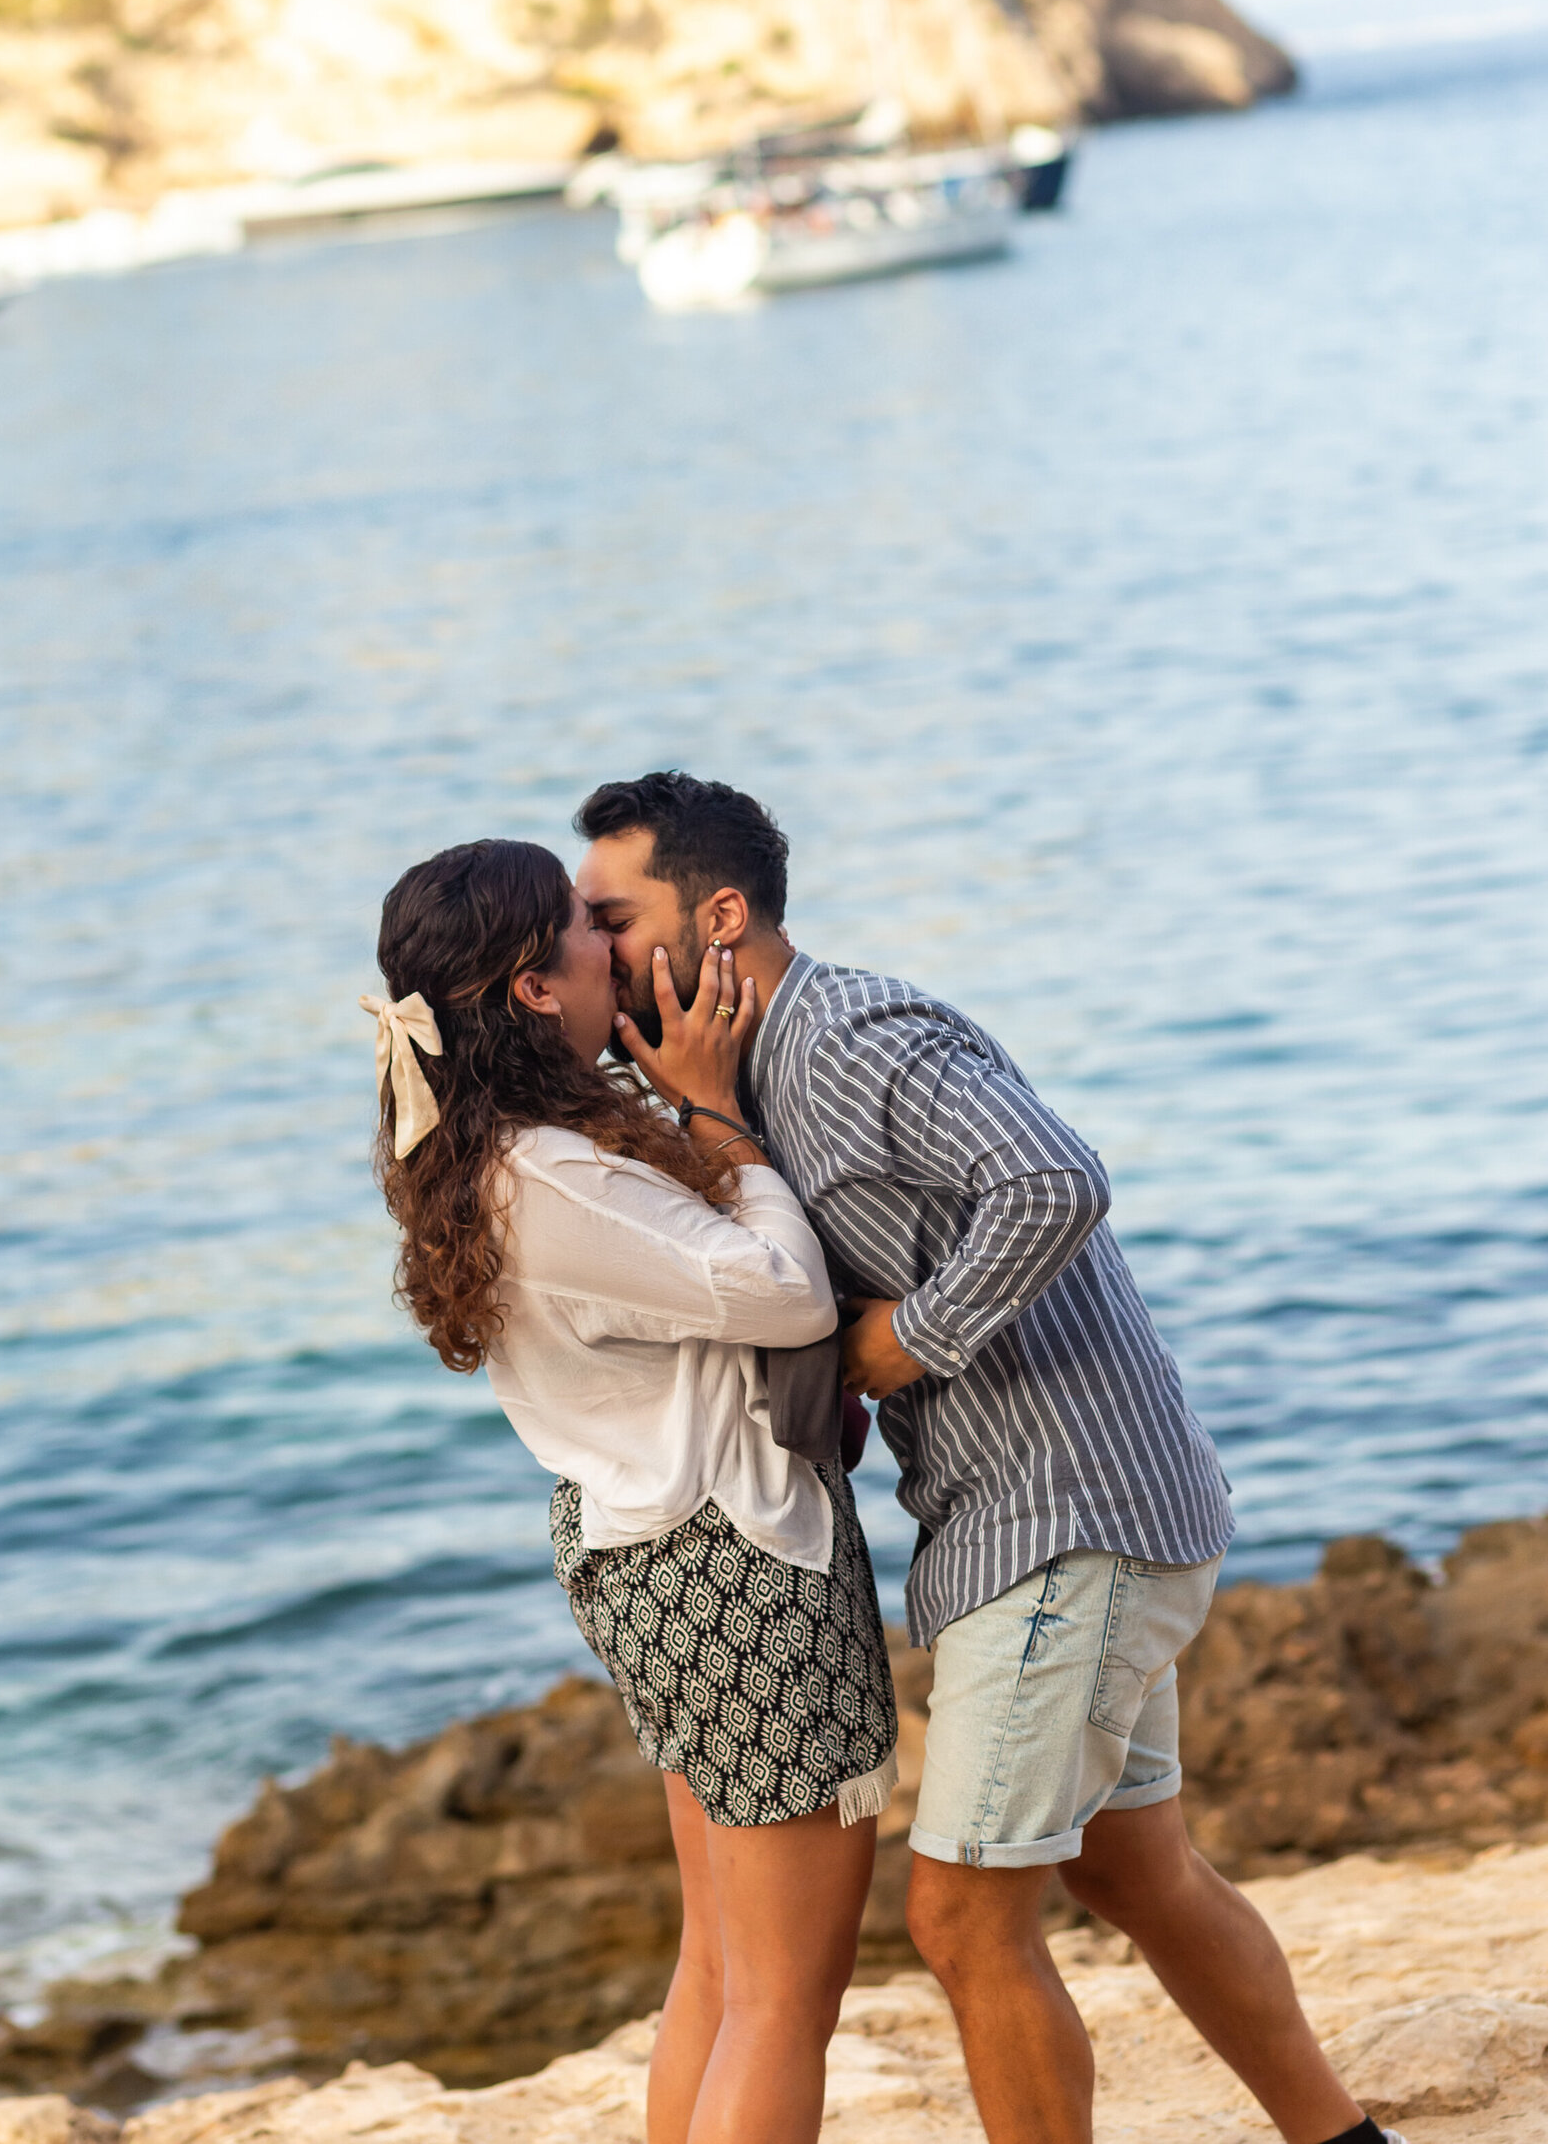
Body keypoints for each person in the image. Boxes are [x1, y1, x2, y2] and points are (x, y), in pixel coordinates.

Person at [575, 772, 1403, 2144]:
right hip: (1049, 1508)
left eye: (612, 915)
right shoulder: (731, 1072)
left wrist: (911, 1337)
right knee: (1142, 1878)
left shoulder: (847, 1036)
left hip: (1066, 1511)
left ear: (718, 915)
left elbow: (1055, 1178)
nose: (595, 946)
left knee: (960, 1917)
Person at [363, 837, 898, 2144]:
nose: (618, 940)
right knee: (783, 2000)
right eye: (587, 926)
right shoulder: (553, 1173)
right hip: (733, 1568)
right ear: (538, 987)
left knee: (719, 1969)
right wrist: (716, 1107)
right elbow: (786, 1297)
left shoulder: (510, 1140)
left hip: (654, 1561)